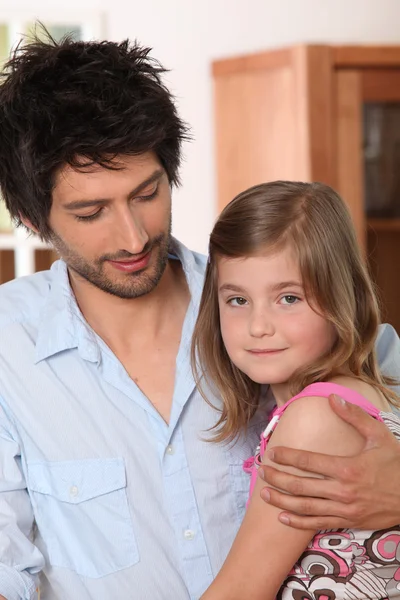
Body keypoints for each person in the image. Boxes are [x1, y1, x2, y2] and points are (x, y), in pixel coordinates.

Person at [0, 31, 398, 600]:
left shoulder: (279, 307)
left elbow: (379, 398)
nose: (134, 237)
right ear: (32, 219)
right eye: (91, 212)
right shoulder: (7, 348)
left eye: (146, 193)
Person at [191, 180, 400, 600]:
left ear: (343, 298)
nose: (258, 326)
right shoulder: (356, 394)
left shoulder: (318, 417)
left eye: (288, 298)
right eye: (237, 300)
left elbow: (239, 592)